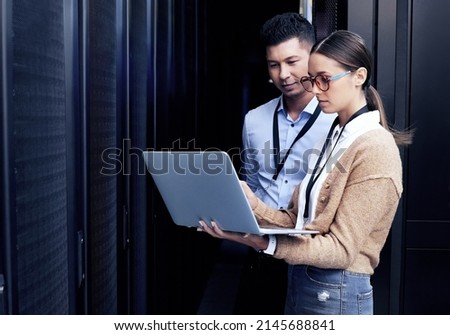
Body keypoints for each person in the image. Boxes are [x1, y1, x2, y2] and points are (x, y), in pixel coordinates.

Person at [198, 30, 412, 315]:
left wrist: (263, 242)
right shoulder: (338, 135)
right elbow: (302, 222)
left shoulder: (374, 146)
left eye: (325, 79)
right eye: (312, 79)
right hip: (305, 282)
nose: (316, 89)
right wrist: (253, 206)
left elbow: (341, 250)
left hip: (338, 292)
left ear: (359, 76)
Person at [238, 12, 336, 313]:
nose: (283, 74)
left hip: (313, 254)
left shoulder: (336, 120)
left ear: (314, 57)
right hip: (261, 250)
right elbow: (253, 184)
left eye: (292, 62)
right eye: (274, 64)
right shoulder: (254, 119)